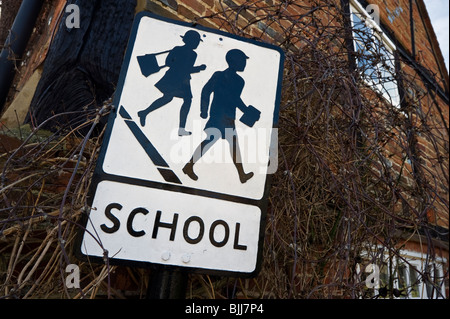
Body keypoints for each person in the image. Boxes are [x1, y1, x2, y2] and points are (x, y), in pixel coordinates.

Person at [182, 49, 258, 184]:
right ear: (235, 62)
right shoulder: (218, 75)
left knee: (230, 144)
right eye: (242, 61)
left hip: (228, 117)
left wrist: (247, 111)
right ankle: (189, 166)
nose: (244, 64)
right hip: (218, 114)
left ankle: (241, 174)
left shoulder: (240, 81)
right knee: (214, 141)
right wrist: (203, 110)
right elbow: (206, 91)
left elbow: (235, 99)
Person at [138, 30, 206, 136]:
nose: (197, 44)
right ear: (190, 41)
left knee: (181, 99)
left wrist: (197, 68)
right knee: (171, 98)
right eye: (196, 41)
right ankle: (145, 112)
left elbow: (187, 69)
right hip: (174, 77)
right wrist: (196, 68)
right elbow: (168, 62)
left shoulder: (193, 54)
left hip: (183, 79)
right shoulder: (177, 49)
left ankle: (145, 113)